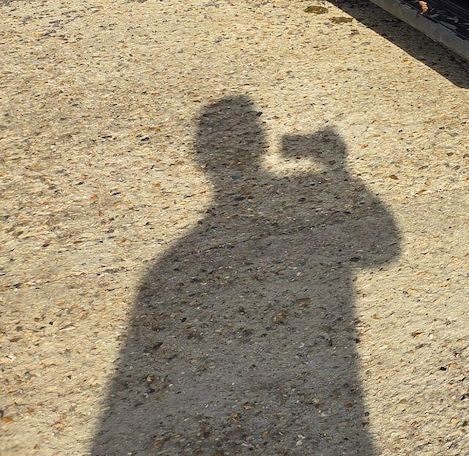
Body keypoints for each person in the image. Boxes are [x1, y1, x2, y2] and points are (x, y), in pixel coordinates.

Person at [90, 96, 400, 454]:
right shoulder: (176, 259)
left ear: (201, 158)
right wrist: (335, 168)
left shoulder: (167, 264)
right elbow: (383, 250)